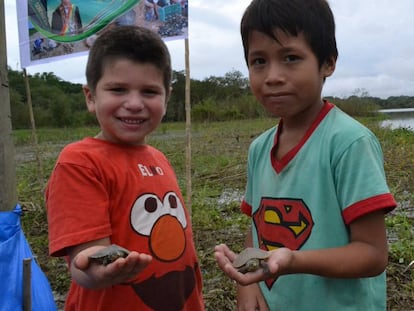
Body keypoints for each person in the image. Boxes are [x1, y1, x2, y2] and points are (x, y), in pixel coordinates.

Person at [214, 0, 397, 310]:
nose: (272, 76)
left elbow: (371, 254)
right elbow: (255, 229)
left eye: (290, 57)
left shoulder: (348, 143)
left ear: (327, 63)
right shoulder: (259, 149)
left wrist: (293, 260)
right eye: (259, 61)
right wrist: (247, 288)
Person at [46, 25, 204, 311]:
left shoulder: (158, 158)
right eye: (118, 90)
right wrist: (97, 270)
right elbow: (84, 260)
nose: (134, 104)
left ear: (166, 98)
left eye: (149, 91)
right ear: (91, 97)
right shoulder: (80, 161)